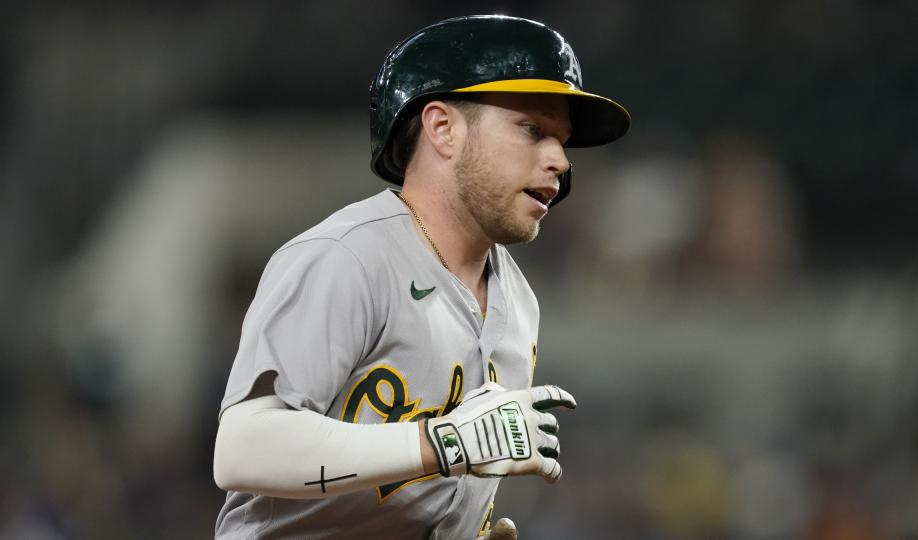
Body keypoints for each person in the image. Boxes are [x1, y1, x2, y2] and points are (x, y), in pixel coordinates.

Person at [212, 14, 630, 539]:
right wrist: (448, 441)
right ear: (442, 128)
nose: (560, 161)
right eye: (533, 129)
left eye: (562, 141)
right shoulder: (347, 258)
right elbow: (243, 449)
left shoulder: (520, 304)